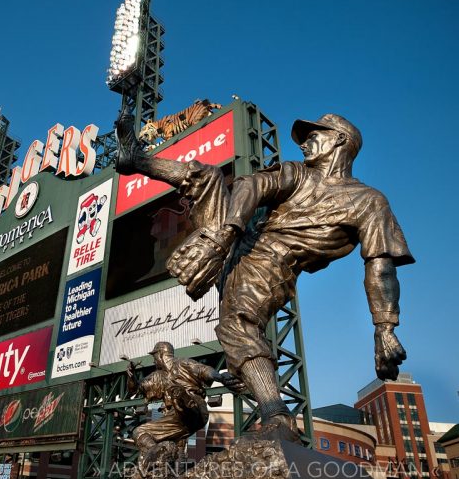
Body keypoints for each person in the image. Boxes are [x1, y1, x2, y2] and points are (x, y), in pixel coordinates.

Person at [116, 111, 413, 442]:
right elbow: (253, 184)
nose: (306, 143)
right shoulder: (298, 174)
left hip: (273, 263)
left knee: (236, 324)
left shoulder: (369, 202)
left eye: (317, 135)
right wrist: (224, 236)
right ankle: (135, 160)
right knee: (209, 176)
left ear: (341, 140)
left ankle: (277, 415)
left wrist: (384, 329)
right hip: (236, 238)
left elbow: (381, 266)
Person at [126, 341, 244, 458]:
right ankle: (156, 452)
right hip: (177, 419)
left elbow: (203, 370)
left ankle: (183, 398)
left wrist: (220, 377)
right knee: (138, 432)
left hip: (195, 407)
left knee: (177, 393)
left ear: (161, 354)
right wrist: (131, 377)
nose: (154, 361)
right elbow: (136, 389)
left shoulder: (182, 363)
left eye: (155, 356)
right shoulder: (158, 376)